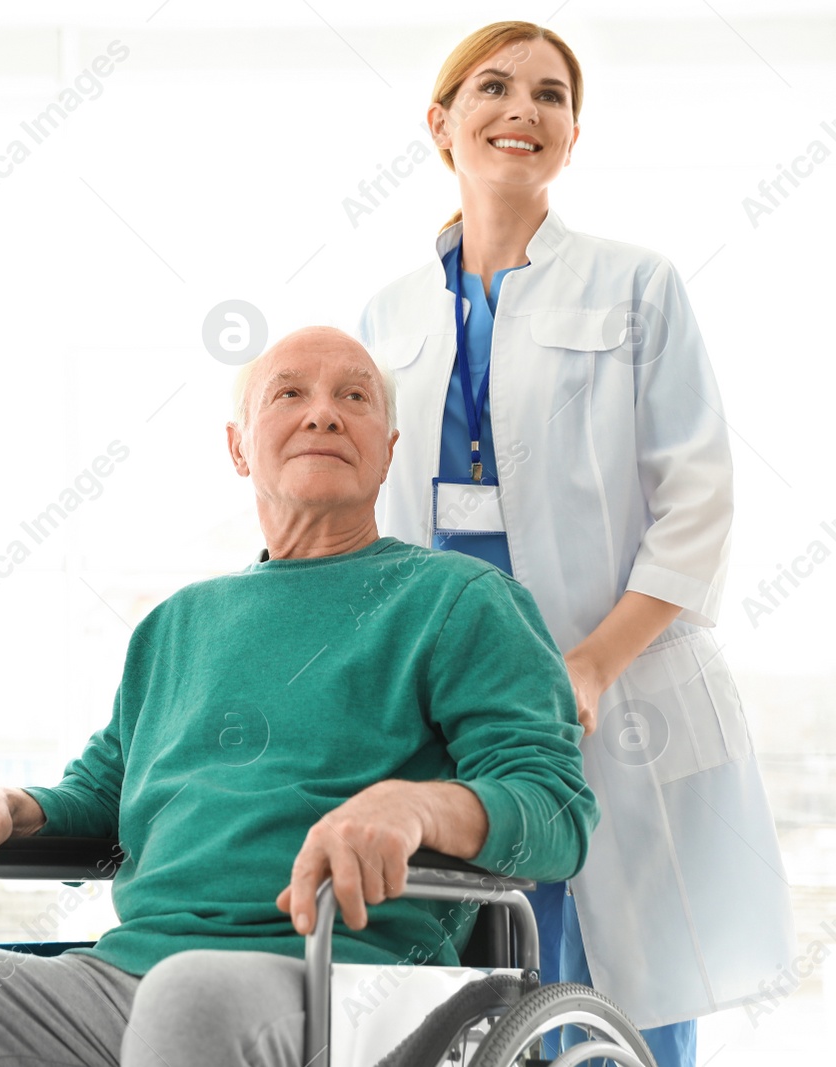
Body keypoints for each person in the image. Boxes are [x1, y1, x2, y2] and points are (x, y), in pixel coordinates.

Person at [0, 327, 598, 1067]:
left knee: (192, 994)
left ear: (388, 451)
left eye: (355, 396)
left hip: (353, 980)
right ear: (238, 446)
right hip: (131, 975)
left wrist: (417, 806)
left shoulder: (459, 600)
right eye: (288, 392)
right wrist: (19, 807)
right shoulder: (175, 625)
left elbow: (555, 809)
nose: (323, 411)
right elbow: (106, 793)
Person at [356, 21, 797, 1067]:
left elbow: (697, 499)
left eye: (550, 96)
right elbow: (374, 514)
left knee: (630, 979)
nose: (523, 111)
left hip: (617, 683)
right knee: (484, 980)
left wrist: (596, 658)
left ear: (571, 133)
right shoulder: (388, 311)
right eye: (495, 88)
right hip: (462, 699)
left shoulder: (635, 285)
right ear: (440, 121)